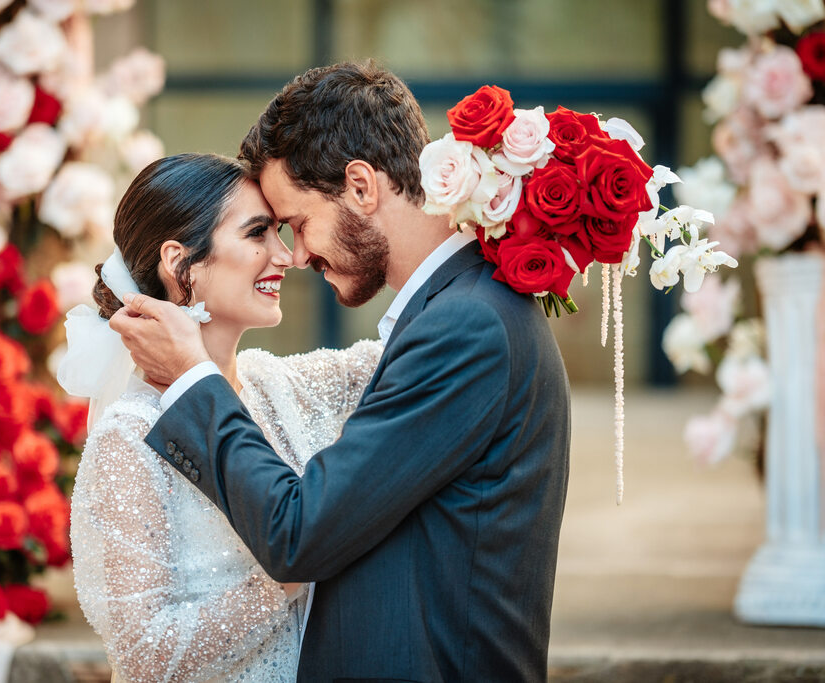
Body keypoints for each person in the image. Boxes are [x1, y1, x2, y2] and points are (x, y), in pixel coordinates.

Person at [110, 62, 572, 682]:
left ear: (360, 186)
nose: (296, 256)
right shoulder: (455, 312)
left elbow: (300, 534)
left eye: (297, 225)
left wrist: (193, 378)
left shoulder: (466, 326)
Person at [62, 153, 382, 682]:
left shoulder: (283, 385)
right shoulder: (129, 439)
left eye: (281, 232)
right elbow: (146, 653)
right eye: (258, 233)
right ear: (180, 262)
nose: (286, 256)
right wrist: (291, 569)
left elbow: (413, 348)